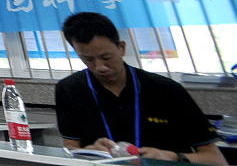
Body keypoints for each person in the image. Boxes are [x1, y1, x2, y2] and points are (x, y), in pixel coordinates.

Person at [55, 12, 226, 164]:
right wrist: (90, 150)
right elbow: (70, 151)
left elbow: (216, 159)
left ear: (121, 48)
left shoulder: (166, 90)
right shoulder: (69, 89)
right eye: (88, 59)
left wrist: (173, 157)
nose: (100, 67)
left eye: (106, 57)